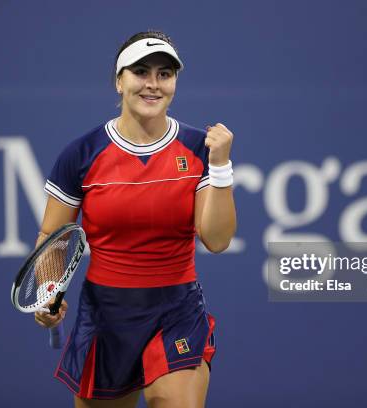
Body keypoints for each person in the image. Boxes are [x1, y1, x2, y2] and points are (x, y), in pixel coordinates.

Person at [33, 30, 236, 408]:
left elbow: (218, 240)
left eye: (164, 74)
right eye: (141, 71)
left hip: (177, 311)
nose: (153, 84)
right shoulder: (81, 154)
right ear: (118, 80)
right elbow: (52, 234)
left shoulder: (198, 148)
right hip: (106, 316)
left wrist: (221, 166)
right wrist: (48, 292)